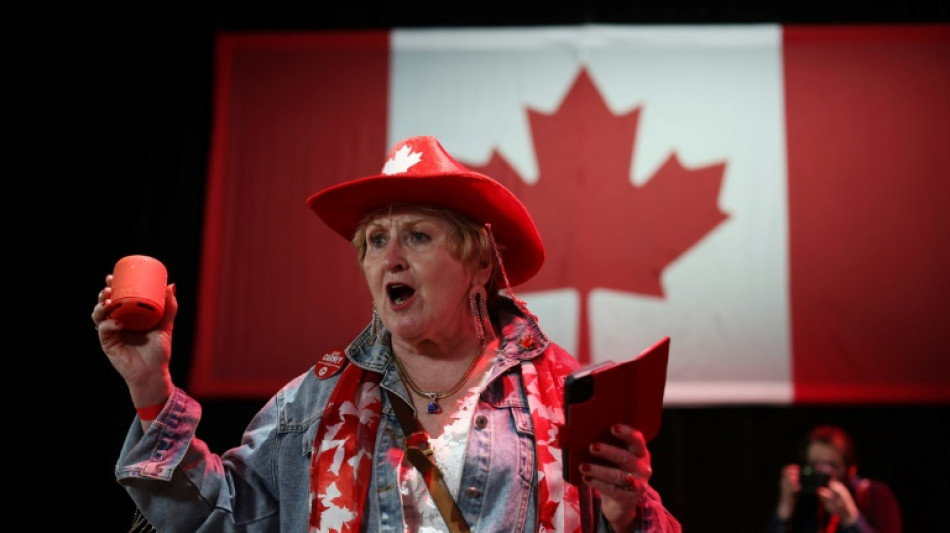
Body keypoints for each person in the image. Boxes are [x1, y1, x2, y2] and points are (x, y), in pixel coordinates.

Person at [92, 135, 682, 532]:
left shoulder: (565, 396)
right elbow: (216, 518)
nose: (391, 258)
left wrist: (627, 514)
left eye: (418, 236)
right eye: (376, 241)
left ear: (480, 263)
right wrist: (150, 389)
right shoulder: (313, 403)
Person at [766, 424, 903, 533]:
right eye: (816, 464)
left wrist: (850, 517)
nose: (823, 473)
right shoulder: (803, 498)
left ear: (851, 469)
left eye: (832, 465)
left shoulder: (875, 495)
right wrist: (785, 507)